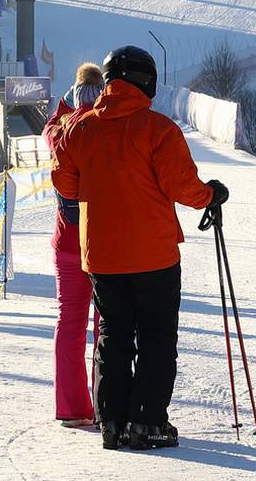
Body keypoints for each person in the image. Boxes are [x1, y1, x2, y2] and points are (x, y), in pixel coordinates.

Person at [52, 45, 226, 451]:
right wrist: (211, 196)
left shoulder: (79, 128)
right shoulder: (159, 129)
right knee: (156, 337)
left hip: (101, 255)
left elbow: (65, 184)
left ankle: (111, 420)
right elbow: (183, 188)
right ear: (146, 82)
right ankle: (146, 422)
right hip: (154, 255)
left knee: (113, 335)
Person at [44, 63, 106, 428]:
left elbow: (52, 121)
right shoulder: (105, 129)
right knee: (106, 323)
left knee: (69, 321)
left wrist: (66, 104)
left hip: (66, 239)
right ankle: (104, 402)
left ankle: (70, 407)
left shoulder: (58, 130)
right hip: (101, 238)